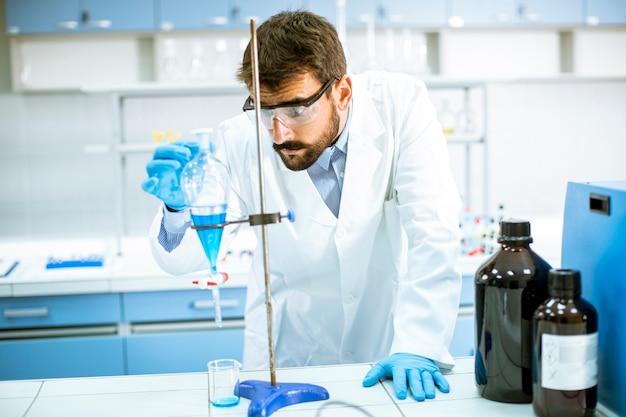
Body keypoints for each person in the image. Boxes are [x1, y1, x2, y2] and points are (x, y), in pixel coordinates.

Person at [142, 10, 462, 402]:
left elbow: (434, 229)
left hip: (388, 353)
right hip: (290, 357)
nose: (279, 132)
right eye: (265, 110)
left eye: (296, 110)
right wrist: (177, 209)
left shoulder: (401, 106)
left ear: (341, 92)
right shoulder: (238, 139)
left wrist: (419, 343)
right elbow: (186, 258)